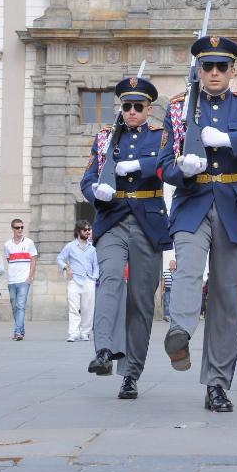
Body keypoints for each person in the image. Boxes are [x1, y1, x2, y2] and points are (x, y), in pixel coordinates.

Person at [158, 34, 237, 413]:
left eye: (220, 67)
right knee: (188, 270)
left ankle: (216, 383)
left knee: (228, 300)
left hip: (235, 204)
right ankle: (179, 331)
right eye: (207, 67)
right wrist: (180, 169)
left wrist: (229, 140)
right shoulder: (180, 108)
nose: (213, 72)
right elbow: (164, 163)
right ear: (198, 69)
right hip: (193, 203)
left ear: (233, 71)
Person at [81, 77, 172, 400]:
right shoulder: (106, 138)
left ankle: (131, 372)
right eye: (126, 106)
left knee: (141, 301)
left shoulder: (160, 137)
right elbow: (88, 178)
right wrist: (96, 192)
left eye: (138, 106)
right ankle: (104, 349)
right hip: (113, 218)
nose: (131, 112)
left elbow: (166, 165)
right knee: (109, 280)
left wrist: (137, 166)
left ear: (148, 109)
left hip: (147, 222)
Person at [57, 220, 98, 342]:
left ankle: (85, 332)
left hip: (89, 280)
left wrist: (94, 277)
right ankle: (73, 333)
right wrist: (66, 268)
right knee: (74, 308)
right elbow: (59, 258)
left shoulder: (92, 249)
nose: (87, 232)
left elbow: (96, 265)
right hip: (74, 280)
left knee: (88, 308)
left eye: (89, 229)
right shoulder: (70, 246)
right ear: (78, 231)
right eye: (85, 230)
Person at [3, 219, 38, 340]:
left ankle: (17, 332)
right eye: (17, 227)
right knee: (14, 306)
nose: (20, 230)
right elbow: (9, 260)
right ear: (12, 229)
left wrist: (29, 277)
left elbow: (34, 260)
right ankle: (21, 329)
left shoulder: (29, 243)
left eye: (22, 227)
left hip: (24, 280)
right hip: (12, 280)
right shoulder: (7, 245)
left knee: (20, 305)